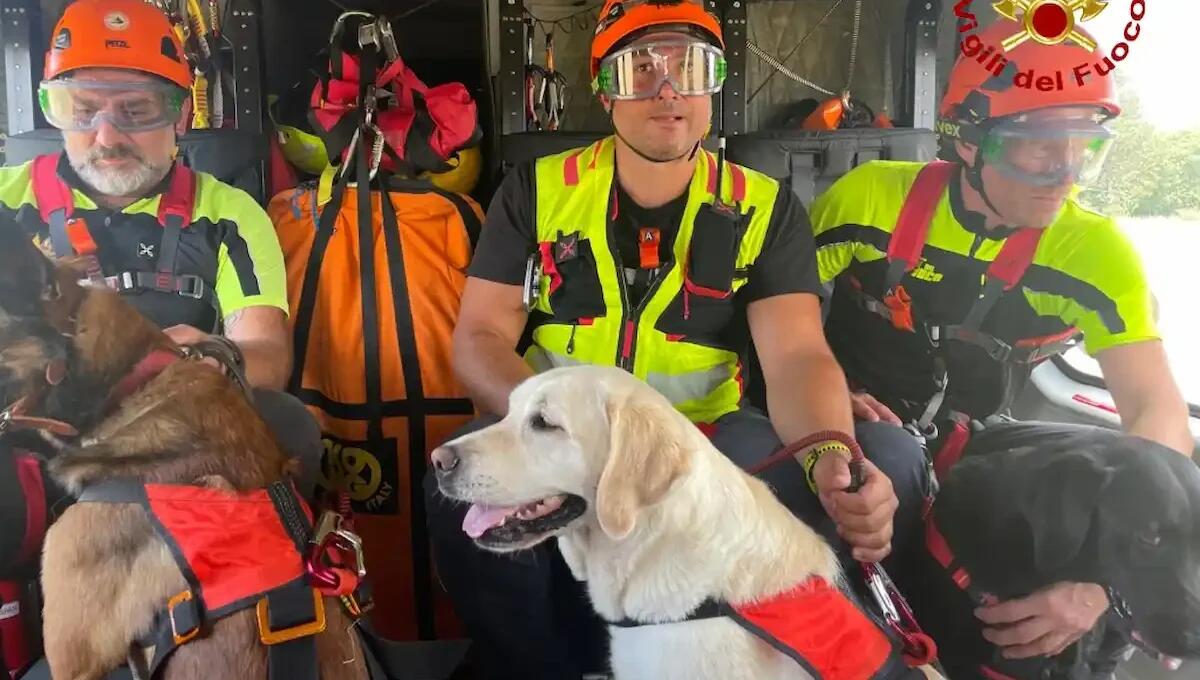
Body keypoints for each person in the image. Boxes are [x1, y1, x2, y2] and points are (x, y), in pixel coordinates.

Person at [422, 1, 929, 678]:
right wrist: (554, 434)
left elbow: (798, 355)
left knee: (879, 454)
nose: (668, 90)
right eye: (640, 69)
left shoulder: (765, 207)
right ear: (604, 88)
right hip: (565, 441)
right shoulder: (535, 192)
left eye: (690, 67)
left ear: (713, 85)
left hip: (706, 446)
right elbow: (480, 336)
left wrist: (829, 452)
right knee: (456, 493)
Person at [809, 17, 1192, 676]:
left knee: (1096, 483)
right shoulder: (864, 202)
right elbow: (780, 325)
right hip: (864, 423)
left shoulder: (1096, 253)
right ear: (968, 143)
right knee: (893, 457)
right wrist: (828, 398)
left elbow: (1155, 410)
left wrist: (1097, 588)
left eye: (1082, 147)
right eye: (1037, 145)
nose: (1063, 172)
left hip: (984, 436)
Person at [0, 0, 321, 494]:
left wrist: (213, 358)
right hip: (25, 433)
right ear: (54, 112)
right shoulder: (7, 201)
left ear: (181, 115)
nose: (106, 136)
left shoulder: (228, 214)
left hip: (159, 430)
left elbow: (269, 355)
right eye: (81, 110)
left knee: (286, 421)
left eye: (135, 110)